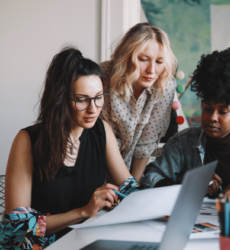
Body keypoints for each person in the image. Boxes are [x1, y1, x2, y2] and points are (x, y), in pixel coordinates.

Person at [0, 48, 141, 249]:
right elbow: (17, 228)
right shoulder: (28, 141)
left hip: (85, 242)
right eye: (82, 99)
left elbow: (129, 188)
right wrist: (84, 212)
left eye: (99, 97)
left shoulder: (102, 130)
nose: (94, 109)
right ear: (60, 100)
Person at [142, 48, 230, 198]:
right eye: (207, 108)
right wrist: (189, 186)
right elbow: (150, 178)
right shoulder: (182, 143)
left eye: (223, 111)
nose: (212, 117)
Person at [100, 22, 177, 182]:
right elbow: (100, 138)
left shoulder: (165, 84)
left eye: (159, 62)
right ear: (127, 56)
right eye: (143, 59)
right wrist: (127, 186)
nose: (152, 70)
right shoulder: (102, 77)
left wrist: (133, 188)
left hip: (127, 174)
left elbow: (145, 144)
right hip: (94, 169)